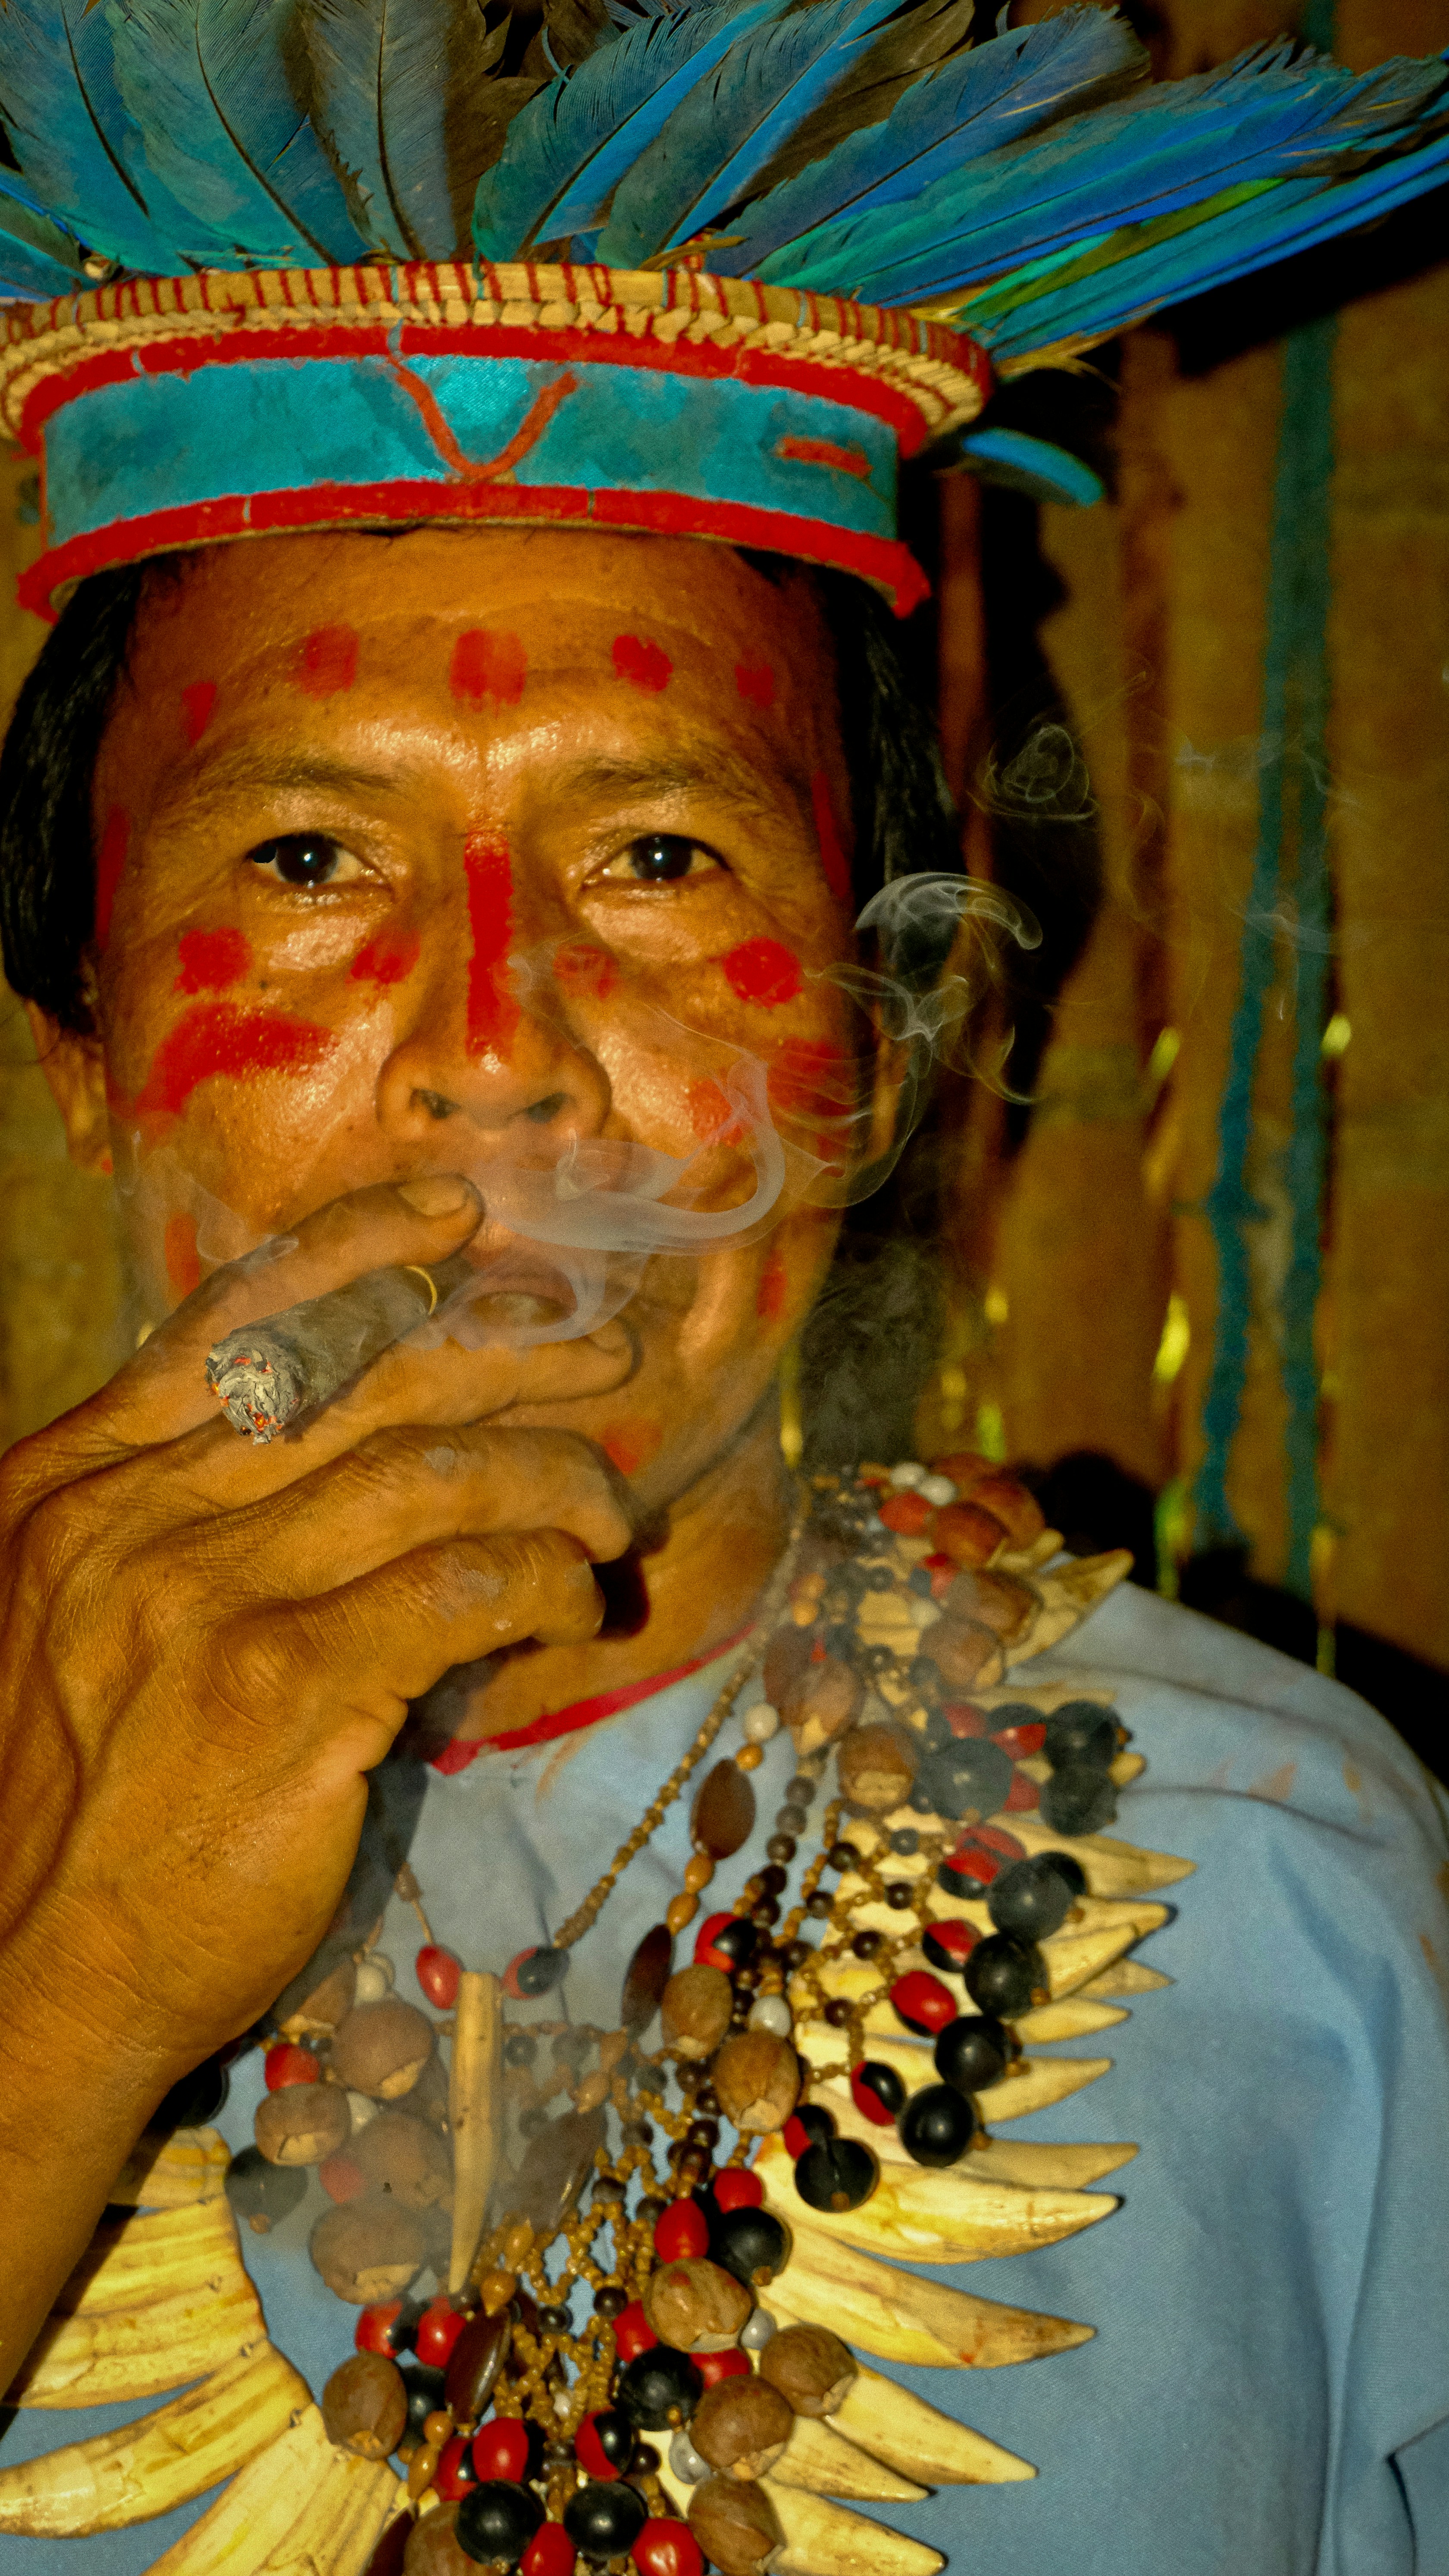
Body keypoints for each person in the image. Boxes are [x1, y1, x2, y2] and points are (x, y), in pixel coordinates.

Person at [0, 9, 1448, 2574]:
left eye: (657, 861)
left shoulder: (1287, 1879)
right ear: (91, 1044)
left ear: (877, 1045)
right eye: (309, 864)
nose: (495, 1061)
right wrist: (72, 1987)